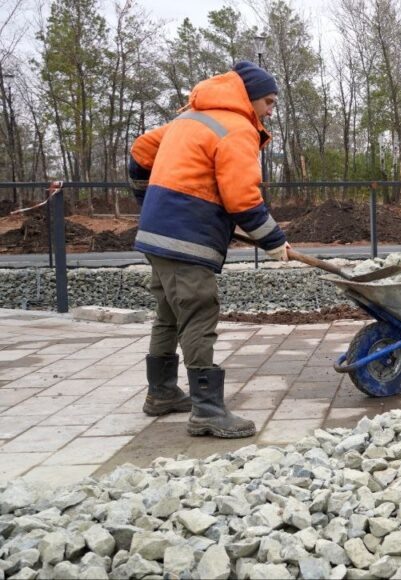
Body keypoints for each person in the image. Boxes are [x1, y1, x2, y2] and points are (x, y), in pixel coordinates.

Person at [127, 61, 289, 439]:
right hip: (188, 237)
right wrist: (274, 241)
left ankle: (163, 393)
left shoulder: (192, 119)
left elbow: (140, 152)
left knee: (169, 312)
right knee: (199, 312)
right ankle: (207, 411)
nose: (269, 111)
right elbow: (243, 199)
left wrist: (148, 203)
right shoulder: (236, 128)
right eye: (268, 102)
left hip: (160, 234)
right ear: (248, 98)